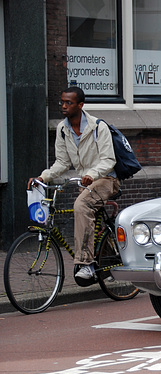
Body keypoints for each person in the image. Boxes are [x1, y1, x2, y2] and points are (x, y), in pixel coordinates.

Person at [28, 87, 120, 281]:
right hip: (86, 183)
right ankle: (109, 260)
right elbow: (62, 162)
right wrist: (43, 177)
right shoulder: (63, 130)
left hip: (106, 179)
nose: (63, 106)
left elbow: (108, 160)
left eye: (68, 103)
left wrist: (92, 174)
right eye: (62, 102)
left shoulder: (98, 127)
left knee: (81, 206)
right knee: (85, 214)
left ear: (80, 105)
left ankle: (85, 264)